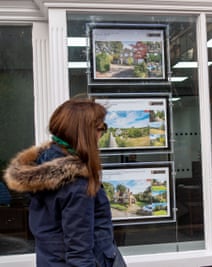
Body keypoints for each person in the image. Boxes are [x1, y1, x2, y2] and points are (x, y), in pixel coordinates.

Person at [3, 98, 124, 267]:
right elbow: (79, 253)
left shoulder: (42, 168)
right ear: (84, 133)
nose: (102, 134)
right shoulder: (77, 185)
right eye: (101, 128)